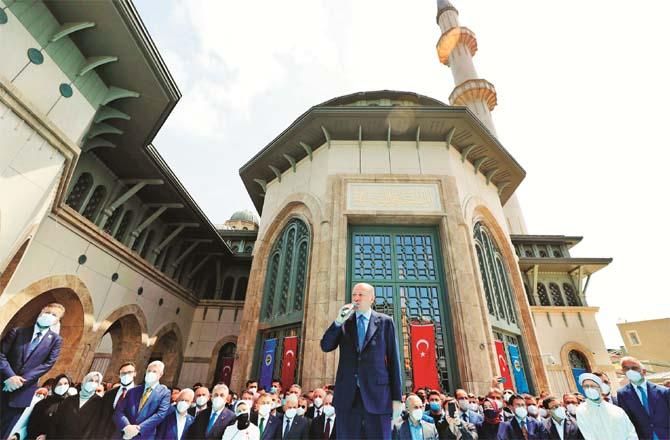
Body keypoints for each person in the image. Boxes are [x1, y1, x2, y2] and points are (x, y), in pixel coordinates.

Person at [320, 282, 402, 439]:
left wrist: (397, 398)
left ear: (372, 299)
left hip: (377, 396)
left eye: (361, 295)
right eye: (354, 295)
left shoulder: (385, 322)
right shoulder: (344, 323)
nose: (356, 299)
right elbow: (326, 346)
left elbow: (394, 362)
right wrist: (337, 322)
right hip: (348, 397)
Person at [0, 303, 65, 439]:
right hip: (4, 384)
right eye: (48, 312)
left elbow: (48, 363)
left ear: (57, 321)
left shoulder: (56, 340)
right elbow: (1, 354)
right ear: (41, 312)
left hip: (23, 392)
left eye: (54, 315)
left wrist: (20, 381)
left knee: (5, 431)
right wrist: (11, 377)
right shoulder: (17, 332)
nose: (49, 316)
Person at [113, 360, 171, 439]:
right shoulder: (133, 391)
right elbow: (119, 411)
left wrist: (138, 428)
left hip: (144, 436)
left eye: (154, 371)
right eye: (149, 371)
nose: (150, 373)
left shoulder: (165, 393)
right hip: (125, 434)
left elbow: (160, 414)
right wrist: (127, 426)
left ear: (160, 374)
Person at [616, 356, 670, 440]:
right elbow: (627, 420)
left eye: (634, 368)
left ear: (644, 371)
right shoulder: (622, 394)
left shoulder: (664, 391)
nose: (630, 371)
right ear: (623, 372)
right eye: (626, 368)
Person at [574, 372, 637, 440]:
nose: (589, 389)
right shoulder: (581, 410)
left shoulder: (617, 410)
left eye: (593, 386)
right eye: (586, 386)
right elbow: (589, 436)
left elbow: (631, 432)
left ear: (601, 388)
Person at [52, 371, 105, 439]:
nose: (93, 383)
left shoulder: (100, 403)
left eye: (96, 381)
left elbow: (96, 429)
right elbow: (56, 421)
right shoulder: (69, 400)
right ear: (84, 381)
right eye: (91, 380)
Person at [27, 373, 70, 440]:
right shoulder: (43, 403)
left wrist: (48, 436)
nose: (62, 386)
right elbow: (32, 424)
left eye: (65, 383)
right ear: (54, 386)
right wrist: (37, 436)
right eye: (59, 384)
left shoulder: (70, 406)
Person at [102, 361, 138, 438]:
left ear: (135, 373)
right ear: (119, 375)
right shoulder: (109, 393)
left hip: (127, 435)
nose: (126, 375)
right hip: (106, 434)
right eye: (123, 373)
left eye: (129, 372)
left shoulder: (139, 393)